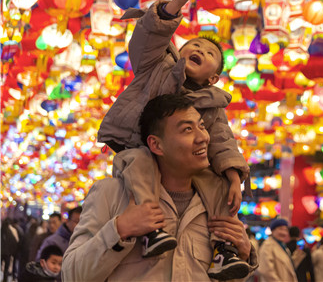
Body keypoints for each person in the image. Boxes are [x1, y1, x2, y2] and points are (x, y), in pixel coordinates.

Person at [96, 0, 250, 279]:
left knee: (218, 184)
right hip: (140, 145)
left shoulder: (212, 102)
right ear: (178, 50)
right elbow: (147, 37)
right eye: (193, 45)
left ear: (213, 78)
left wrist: (234, 175)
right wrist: (177, 3)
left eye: (209, 54)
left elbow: (222, 139)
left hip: (180, 166)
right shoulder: (156, 66)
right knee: (138, 164)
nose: (199, 51)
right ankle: (151, 229)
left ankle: (224, 250)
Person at [62, 94, 258, 281]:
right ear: (156, 145)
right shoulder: (112, 193)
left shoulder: (217, 206)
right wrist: (120, 229)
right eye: (187, 130)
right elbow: (71, 275)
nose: (203, 138)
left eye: (202, 126)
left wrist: (242, 253)